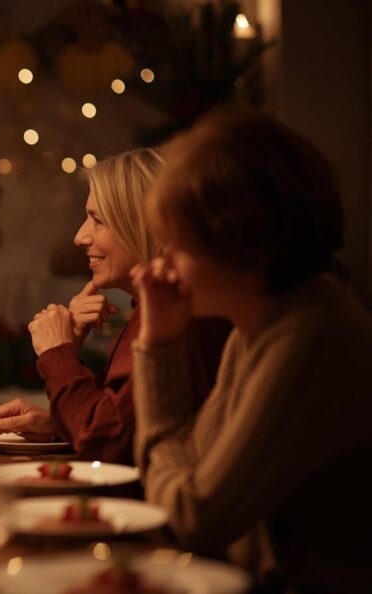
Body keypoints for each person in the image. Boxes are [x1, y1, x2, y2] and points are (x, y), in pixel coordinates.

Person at [131, 110, 372, 592]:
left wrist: (157, 350)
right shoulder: (260, 325)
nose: (163, 265)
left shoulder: (312, 337)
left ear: (243, 249)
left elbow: (192, 517)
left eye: (178, 246)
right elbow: (192, 467)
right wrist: (160, 343)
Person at [0, 148, 228, 463]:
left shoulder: (177, 318)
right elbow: (124, 427)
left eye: (97, 220)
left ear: (145, 227)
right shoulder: (150, 310)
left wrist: (58, 354)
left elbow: (106, 442)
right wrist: (58, 425)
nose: (79, 237)